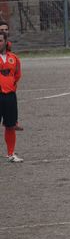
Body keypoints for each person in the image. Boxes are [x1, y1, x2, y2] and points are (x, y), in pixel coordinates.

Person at [0, 31, 23, 162]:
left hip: (10, 97)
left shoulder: (14, 58)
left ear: (5, 42)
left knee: (10, 125)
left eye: (0, 41)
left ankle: (11, 154)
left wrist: (10, 84)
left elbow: (17, 75)